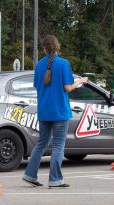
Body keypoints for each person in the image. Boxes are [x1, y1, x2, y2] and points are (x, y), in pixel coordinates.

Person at [22, 35, 87, 188]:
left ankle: (30, 174)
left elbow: (38, 87)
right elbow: (68, 88)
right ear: (57, 47)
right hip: (60, 111)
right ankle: (55, 179)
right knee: (58, 145)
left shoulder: (38, 65)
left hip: (44, 110)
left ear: (44, 49)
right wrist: (80, 81)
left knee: (41, 143)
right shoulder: (64, 64)